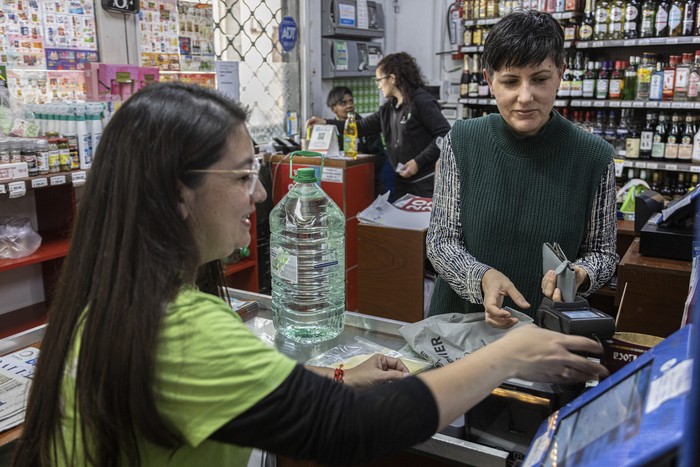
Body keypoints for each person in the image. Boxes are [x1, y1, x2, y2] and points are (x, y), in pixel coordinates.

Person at [13, 82, 607, 467]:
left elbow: (240, 396)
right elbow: (348, 432)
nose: (258, 195)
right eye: (243, 175)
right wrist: (508, 355)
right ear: (178, 195)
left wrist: (337, 378)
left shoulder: (123, 300)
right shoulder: (178, 330)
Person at [427, 10, 619, 329]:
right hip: (459, 332)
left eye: (540, 79)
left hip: (542, 337)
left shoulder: (594, 157)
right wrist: (481, 277)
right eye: (511, 81)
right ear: (490, 81)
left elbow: (603, 252)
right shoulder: (461, 142)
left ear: (560, 74)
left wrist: (581, 274)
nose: (525, 97)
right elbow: (441, 240)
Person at [307, 52, 451, 200]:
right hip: (402, 183)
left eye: (379, 80)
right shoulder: (388, 109)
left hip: (426, 183)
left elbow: (445, 134)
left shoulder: (422, 102)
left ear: (392, 78)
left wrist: (418, 162)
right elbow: (359, 127)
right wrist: (326, 122)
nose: (378, 86)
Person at [326, 85, 388, 196]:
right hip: (338, 182)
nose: (349, 106)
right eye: (343, 103)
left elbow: (380, 157)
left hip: (367, 183)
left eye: (351, 101)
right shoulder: (330, 130)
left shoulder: (367, 127)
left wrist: (360, 161)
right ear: (333, 108)